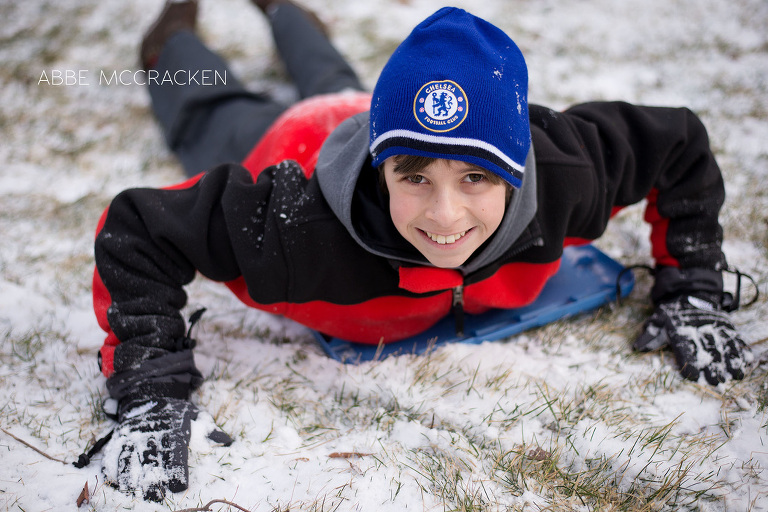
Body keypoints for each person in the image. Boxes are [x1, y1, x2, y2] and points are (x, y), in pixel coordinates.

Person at [91, 0, 755, 501]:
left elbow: (680, 144)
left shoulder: (565, 173)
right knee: (216, 109)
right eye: (415, 179)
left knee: (332, 77)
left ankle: (286, 12)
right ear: (385, 171)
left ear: (518, 165)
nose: (445, 217)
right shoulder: (293, 229)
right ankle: (171, 36)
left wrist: (693, 283)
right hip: (290, 142)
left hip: (373, 111)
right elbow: (138, 229)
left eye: (475, 179)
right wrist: (151, 388)